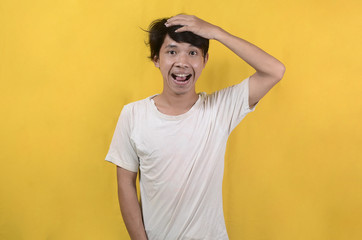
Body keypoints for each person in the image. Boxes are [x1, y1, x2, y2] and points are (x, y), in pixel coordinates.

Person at [105, 14, 285, 240]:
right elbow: (125, 185)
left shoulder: (219, 109)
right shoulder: (133, 115)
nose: (182, 62)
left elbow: (275, 70)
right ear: (156, 59)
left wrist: (217, 33)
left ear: (205, 60)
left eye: (192, 53)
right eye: (172, 51)